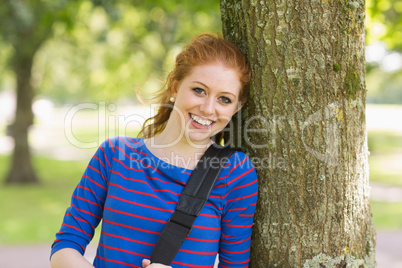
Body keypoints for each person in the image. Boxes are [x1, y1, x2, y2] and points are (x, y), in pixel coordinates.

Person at [50, 33, 258, 268]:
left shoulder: (235, 173)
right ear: (175, 86)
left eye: (224, 99)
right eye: (199, 90)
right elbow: (66, 245)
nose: (208, 108)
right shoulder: (114, 155)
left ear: (236, 108)